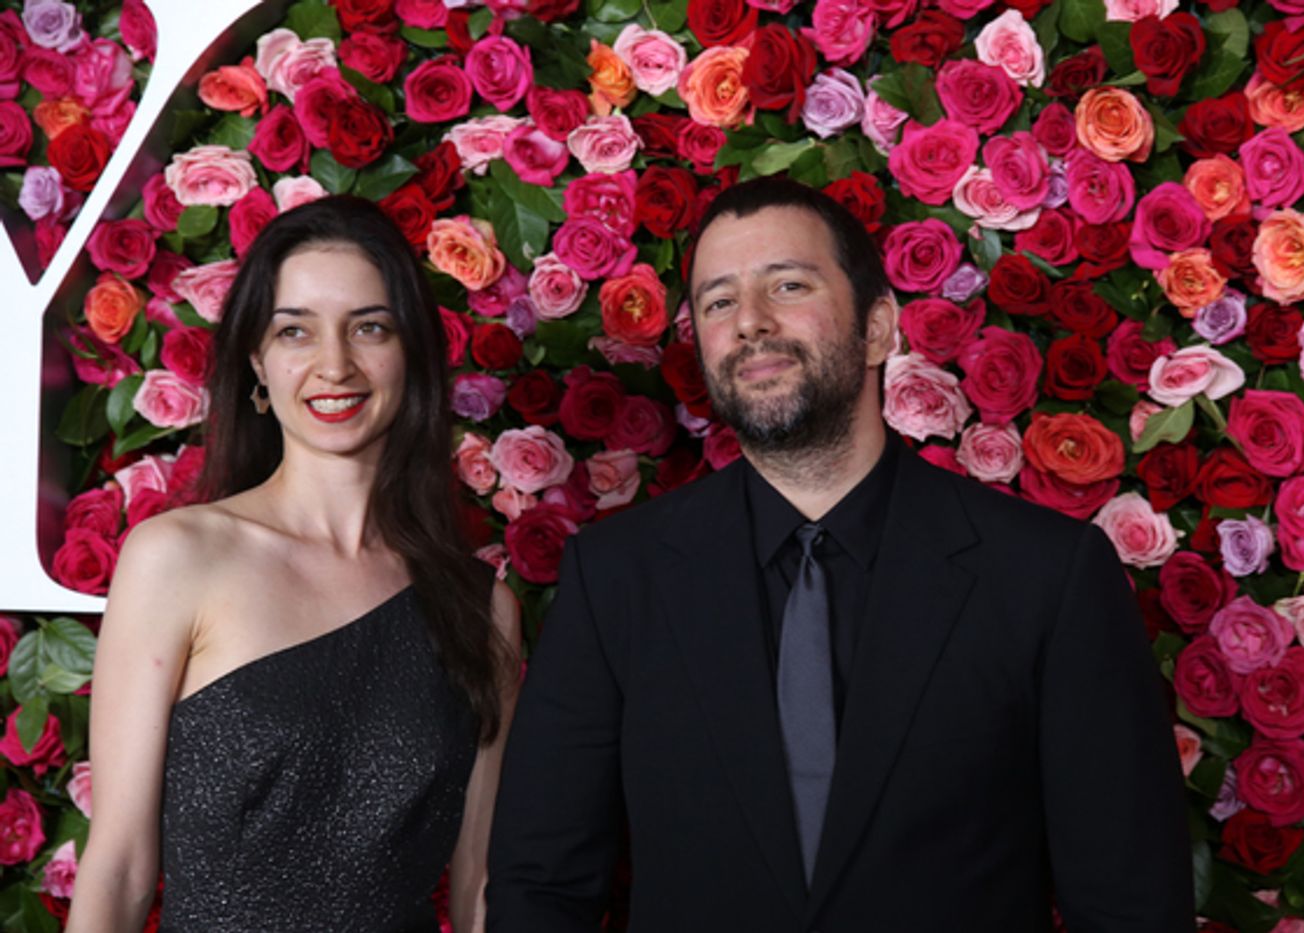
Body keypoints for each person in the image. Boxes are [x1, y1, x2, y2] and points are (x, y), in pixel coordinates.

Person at [486, 179, 1192, 932]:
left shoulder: (1048, 576)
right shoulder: (615, 575)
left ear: (879, 327)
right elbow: (542, 884)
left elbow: (1130, 904)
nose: (751, 321)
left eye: (788, 285)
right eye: (719, 301)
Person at [68, 196, 519, 932]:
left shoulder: (481, 606)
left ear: (410, 351)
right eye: (294, 331)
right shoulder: (177, 558)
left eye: (369, 327)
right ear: (257, 359)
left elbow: (481, 886)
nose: (333, 364)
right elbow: (117, 867)